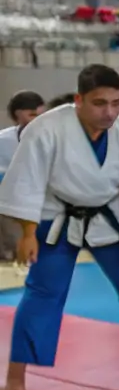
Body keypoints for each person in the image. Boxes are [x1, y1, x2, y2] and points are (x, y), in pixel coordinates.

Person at [0, 64, 119, 390]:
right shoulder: (47, 128)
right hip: (56, 219)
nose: (109, 112)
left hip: (103, 220)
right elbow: (26, 180)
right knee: (43, 293)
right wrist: (27, 233)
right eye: (100, 103)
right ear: (80, 99)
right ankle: (14, 380)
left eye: (117, 102)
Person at [0, 90, 45, 263]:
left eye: (42, 115)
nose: (39, 120)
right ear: (16, 116)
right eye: (32, 115)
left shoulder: (53, 139)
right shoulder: (3, 141)